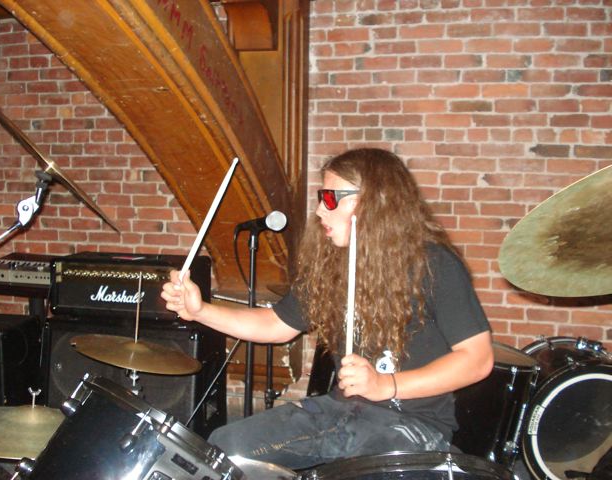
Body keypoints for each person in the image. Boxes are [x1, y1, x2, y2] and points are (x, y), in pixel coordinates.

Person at [161, 147, 494, 470]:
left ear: (373, 203)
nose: (320, 210)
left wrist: (384, 385)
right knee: (227, 447)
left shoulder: (433, 265)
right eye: (321, 198)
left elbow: (477, 360)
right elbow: (275, 324)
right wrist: (200, 311)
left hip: (412, 424)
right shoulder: (332, 267)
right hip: (343, 412)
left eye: (331, 198)